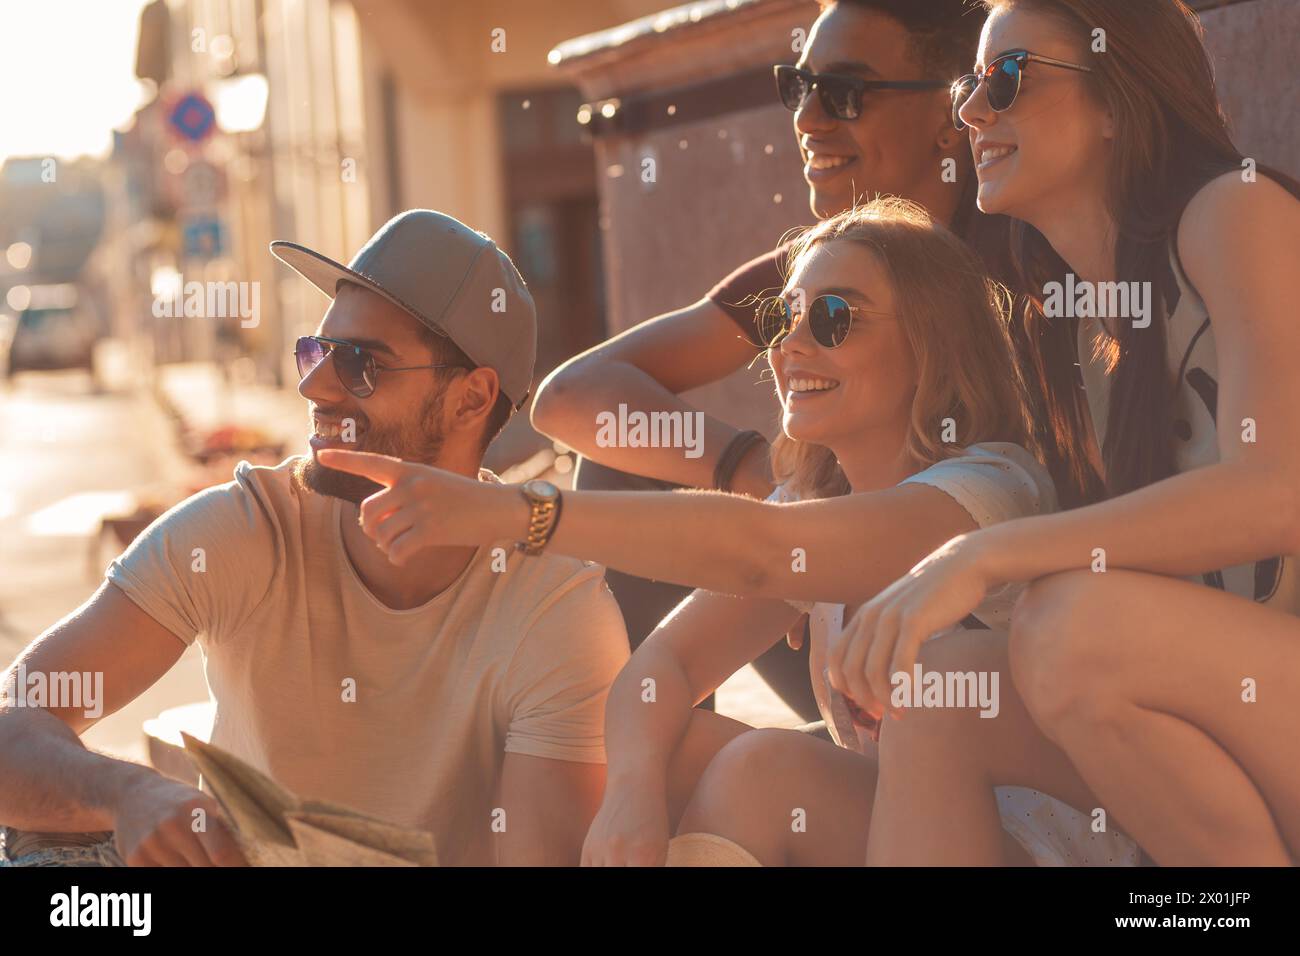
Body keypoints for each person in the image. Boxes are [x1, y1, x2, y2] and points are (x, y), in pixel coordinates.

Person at [318, 199, 1134, 866]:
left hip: (1049, 845)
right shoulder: (808, 498)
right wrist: (633, 795)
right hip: (908, 832)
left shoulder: (986, 486)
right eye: (786, 318)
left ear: (933, 344)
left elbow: (761, 553)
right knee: (662, 752)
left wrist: (516, 514)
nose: (791, 347)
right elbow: (661, 666)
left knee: (762, 773)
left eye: (836, 317)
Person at [0, 210, 629, 867]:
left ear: (472, 399)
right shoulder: (246, 529)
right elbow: (17, 722)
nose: (313, 386)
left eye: (362, 365)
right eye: (317, 352)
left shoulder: (555, 606)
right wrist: (128, 792)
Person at [826, 0, 1300, 865]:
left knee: (1066, 625)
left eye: (1008, 78)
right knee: (939, 699)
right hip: (1246, 714)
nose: (971, 110)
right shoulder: (1078, 329)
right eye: (972, 82)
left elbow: (1277, 491)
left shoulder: (1234, 213)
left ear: (1118, 99)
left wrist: (984, 557)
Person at [530, 0, 1002, 720]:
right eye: (797, 87)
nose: (810, 119)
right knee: (627, 462)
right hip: (820, 600)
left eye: (844, 91)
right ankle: (632, 774)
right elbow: (569, 397)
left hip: (979, 639)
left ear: (951, 114)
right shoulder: (813, 268)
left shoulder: (1017, 250)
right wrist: (751, 471)